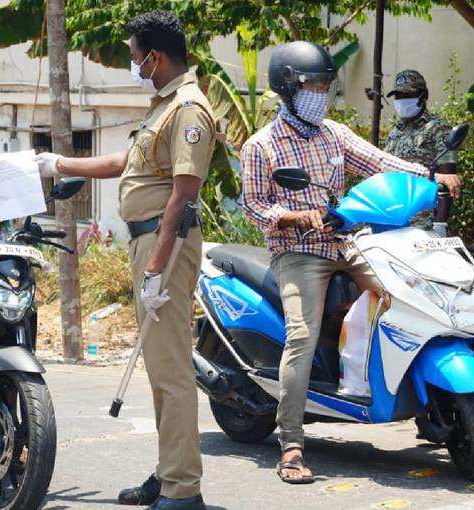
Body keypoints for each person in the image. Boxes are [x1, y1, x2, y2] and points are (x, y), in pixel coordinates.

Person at [241, 41, 461, 484]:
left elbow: (380, 162)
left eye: (326, 84)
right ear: (287, 88)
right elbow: (252, 204)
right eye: (313, 85)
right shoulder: (261, 146)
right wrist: (289, 215)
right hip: (300, 251)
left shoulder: (333, 133)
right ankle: (291, 443)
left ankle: (398, 396)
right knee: (301, 337)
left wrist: (431, 176)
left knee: (411, 293)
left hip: (348, 243)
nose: (321, 93)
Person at [34, 10, 217, 510]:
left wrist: (156, 269)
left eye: (136, 57)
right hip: (151, 244)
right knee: (161, 368)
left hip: (166, 245)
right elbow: (124, 164)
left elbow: (182, 196)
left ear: (154, 57)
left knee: (171, 369)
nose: (134, 64)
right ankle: (170, 470)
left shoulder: (188, 109)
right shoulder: (161, 106)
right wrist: (57, 164)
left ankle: (183, 491)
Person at [385, 69, 457, 236]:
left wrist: (440, 224)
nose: (402, 101)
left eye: (407, 96)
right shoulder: (395, 131)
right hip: (392, 215)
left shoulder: (439, 128)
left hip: (423, 221)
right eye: (398, 97)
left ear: (423, 96)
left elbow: (448, 181)